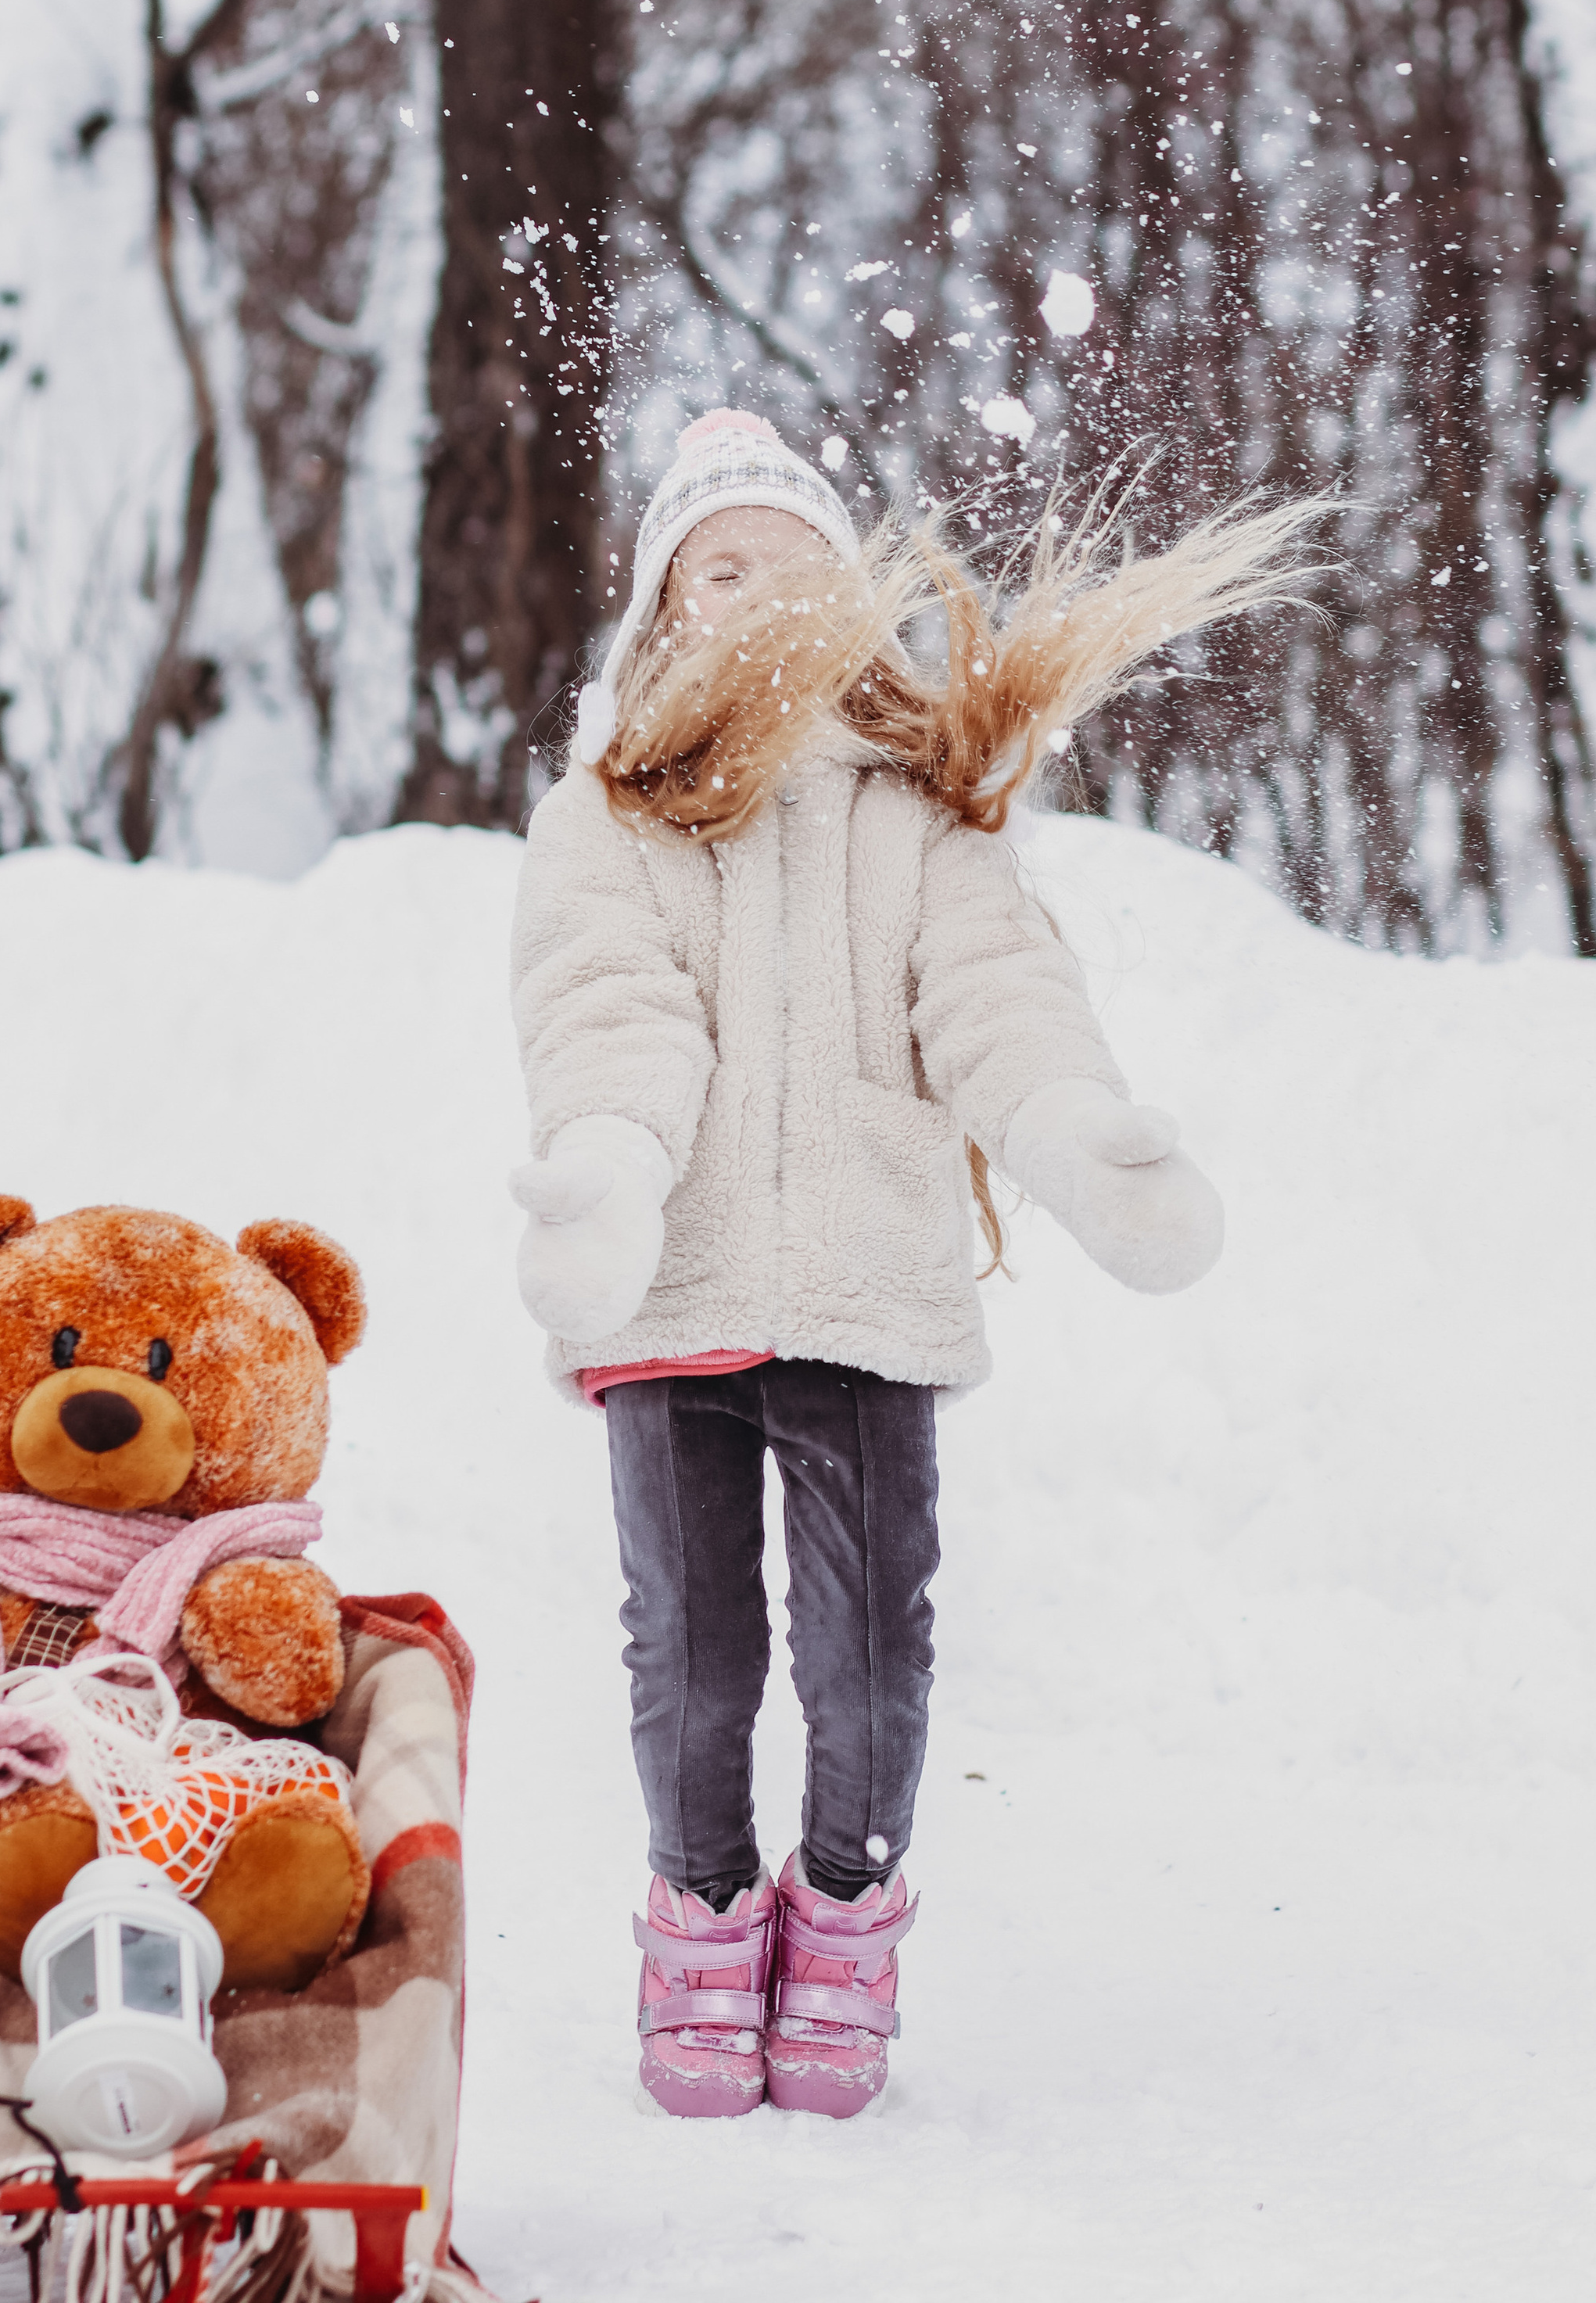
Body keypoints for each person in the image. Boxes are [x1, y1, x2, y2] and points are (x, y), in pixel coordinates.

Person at [507, 410, 1311, 2121]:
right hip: (672, 1292)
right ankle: (706, 1922)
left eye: (793, 568)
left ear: (855, 607)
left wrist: (1080, 1137)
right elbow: (608, 1013)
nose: (753, 596)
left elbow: (994, 997)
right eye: (715, 568)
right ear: (663, 607)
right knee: (696, 1650)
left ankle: (850, 1918)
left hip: (868, 1290)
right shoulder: (613, 820)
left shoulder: (928, 815)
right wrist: (606, 1173)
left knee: (871, 1652)